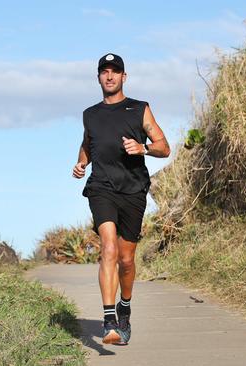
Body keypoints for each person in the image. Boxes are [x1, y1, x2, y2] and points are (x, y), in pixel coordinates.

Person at [72, 53, 171, 345]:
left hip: (133, 190)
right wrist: (81, 163)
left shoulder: (139, 109)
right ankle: (109, 321)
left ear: (124, 77)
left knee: (127, 260)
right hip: (101, 187)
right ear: (98, 77)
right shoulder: (90, 114)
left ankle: (124, 308)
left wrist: (143, 148)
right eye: (105, 71)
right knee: (109, 248)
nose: (110, 76)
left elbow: (164, 147)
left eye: (115, 72)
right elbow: (87, 144)